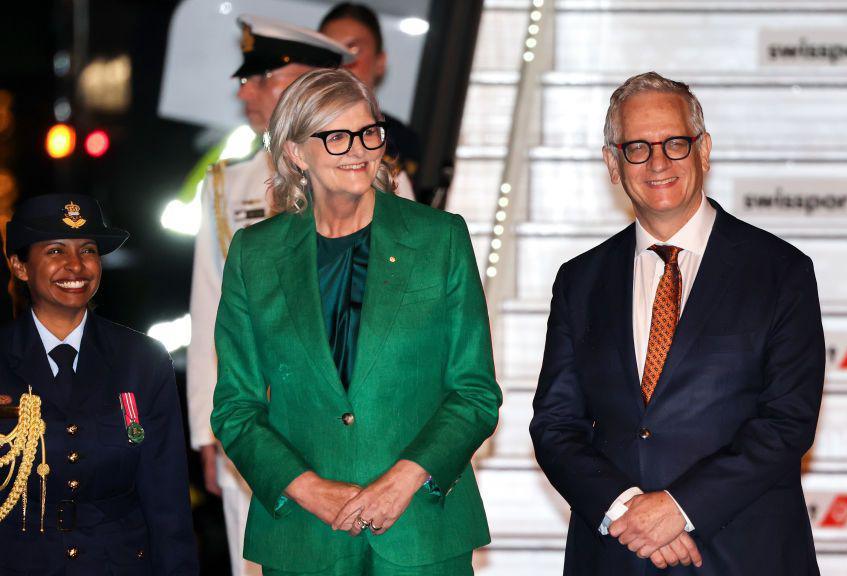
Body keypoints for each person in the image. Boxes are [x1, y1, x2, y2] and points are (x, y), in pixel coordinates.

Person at [530, 72, 825, 575]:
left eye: (675, 143)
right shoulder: (579, 280)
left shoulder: (780, 270)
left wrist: (678, 510)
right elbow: (556, 426)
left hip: (744, 553)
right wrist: (628, 512)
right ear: (612, 163)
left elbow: (786, 422)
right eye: (637, 148)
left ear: (704, 150)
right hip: (615, 555)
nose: (659, 162)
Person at [210, 68, 500, 575]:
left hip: (420, 530)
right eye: (337, 137)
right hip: (304, 537)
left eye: (369, 133)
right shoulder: (254, 254)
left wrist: (405, 479)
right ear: (297, 152)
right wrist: (308, 489)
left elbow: (475, 394)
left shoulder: (440, 239)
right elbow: (236, 409)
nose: (359, 150)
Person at [187, 15, 356, 576]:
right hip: (257, 415)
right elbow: (209, 307)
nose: (246, 90)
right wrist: (205, 427)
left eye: (264, 76)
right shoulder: (227, 185)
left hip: (356, 417)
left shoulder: (375, 177)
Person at [0, 193, 198, 574]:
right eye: (56, 251)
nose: (76, 265)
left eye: (88, 250)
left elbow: (166, 502)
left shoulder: (143, 361)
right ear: (20, 267)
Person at [319, 3, 423, 190]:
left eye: (353, 50)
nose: (342, 62)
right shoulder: (300, 133)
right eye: (330, 51)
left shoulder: (400, 141)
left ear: (380, 63)